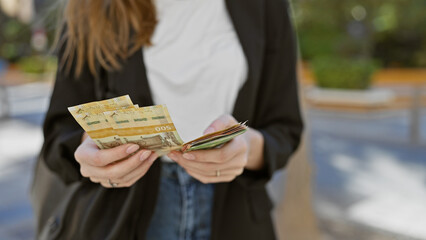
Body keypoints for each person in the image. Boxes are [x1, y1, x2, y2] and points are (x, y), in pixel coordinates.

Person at [31, 0, 303, 239]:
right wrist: (93, 153)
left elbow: (285, 127)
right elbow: (60, 133)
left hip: (235, 217)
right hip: (119, 216)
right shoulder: (93, 6)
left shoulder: (266, 5)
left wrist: (250, 149)